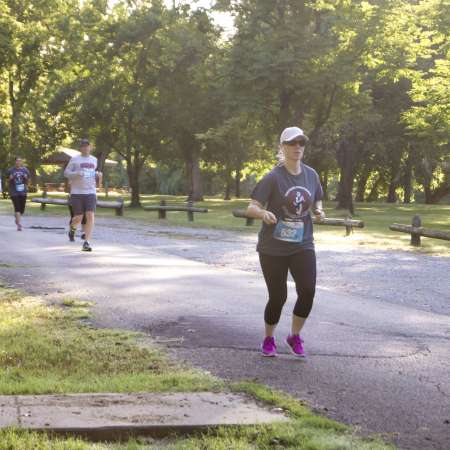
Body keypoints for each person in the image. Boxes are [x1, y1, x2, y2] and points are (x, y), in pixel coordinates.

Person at [247, 127, 325, 358]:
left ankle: (294, 336)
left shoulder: (311, 175)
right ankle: (269, 338)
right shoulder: (273, 177)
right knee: (278, 296)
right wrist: (263, 214)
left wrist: (319, 212)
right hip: (273, 247)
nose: (297, 147)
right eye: (292, 143)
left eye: (301, 143)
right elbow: (251, 207)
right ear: (282, 147)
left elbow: (318, 199)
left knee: (308, 291)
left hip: (303, 243)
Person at [64, 139, 102, 251]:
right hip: (77, 192)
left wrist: (98, 175)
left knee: (90, 215)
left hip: (90, 191)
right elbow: (66, 173)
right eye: (83, 146)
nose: (85, 148)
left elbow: (93, 175)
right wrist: (76, 173)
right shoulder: (75, 159)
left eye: (87, 146)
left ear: (90, 147)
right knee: (78, 218)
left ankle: (87, 242)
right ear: (80, 148)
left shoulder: (94, 160)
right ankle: (72, 229)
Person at [7, 157, 31, 231]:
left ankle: (17, 217)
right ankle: (19, 225)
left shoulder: (25, 170)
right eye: (17, 161)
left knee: (21, 210)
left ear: (21, 162)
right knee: (17, 208)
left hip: (23, 192)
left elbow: (29, 182)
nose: (18, 162)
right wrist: (10, 179)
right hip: (14, 192)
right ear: (15, 162)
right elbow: (6, 181)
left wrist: (26, 178)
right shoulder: (10, 170)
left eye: (20, 161)